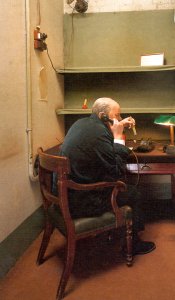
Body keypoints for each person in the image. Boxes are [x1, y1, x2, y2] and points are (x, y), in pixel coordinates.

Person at [57, 97, 156, 255]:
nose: (118, 119)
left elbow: (101, 148)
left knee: (125, 187)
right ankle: (134, 244)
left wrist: (118, 124)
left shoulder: (82, 123)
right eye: (116, 115)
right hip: (84, 201)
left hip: (68, 195)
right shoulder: (99, 134)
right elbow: (115, 171)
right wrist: (117, 138)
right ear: (103, 115)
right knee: (133, 193)